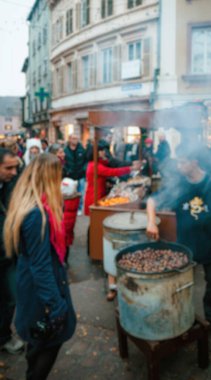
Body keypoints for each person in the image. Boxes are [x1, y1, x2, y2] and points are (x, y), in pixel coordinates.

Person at [146, 143, 211, 338]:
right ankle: (185, 317)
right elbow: (152, 200)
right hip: (185, 246)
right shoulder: (178, 184)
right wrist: (151, 222)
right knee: (184, 285)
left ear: (194, 163)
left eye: (182, 162)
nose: (178, 166)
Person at [4, 154, 76, 379]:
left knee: (38, 345)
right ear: (49, 178)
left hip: (33, 287)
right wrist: (56, 307)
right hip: (40, 294)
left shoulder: (30, 205)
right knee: (47, 346)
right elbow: (40, 266)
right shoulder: (37, 214)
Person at [84, 142, 140, 301]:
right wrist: (130, 168)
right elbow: (111, 171)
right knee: (93, 226)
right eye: (102, 151)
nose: (104, 154)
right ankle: (92, 250)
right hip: (93, 197)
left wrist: (129, 164)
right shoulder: (95, 165)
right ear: (96, 152)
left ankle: (92, 249)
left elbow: (112, 164)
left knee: (93, 226)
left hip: (99, 194)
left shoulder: (99, 162)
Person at [0, 148, 25, 354]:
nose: (14, 172)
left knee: (10, 299)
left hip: (8, 254)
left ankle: (3, 337)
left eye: (16, 167)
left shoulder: (11, 185)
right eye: (9, 168)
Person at [64, 134, 87, 215]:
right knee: (70, 192)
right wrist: (67, 171)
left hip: (80, 175)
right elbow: (64, 162)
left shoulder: (82, 149)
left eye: (76, 138)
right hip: (70, 175)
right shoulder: (65, 150)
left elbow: (86, 161)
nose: (75, 140)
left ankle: (79, 208)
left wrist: (84, 170)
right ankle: (70, 208)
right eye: (73, 138)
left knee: (80, 192)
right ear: (69, 139)